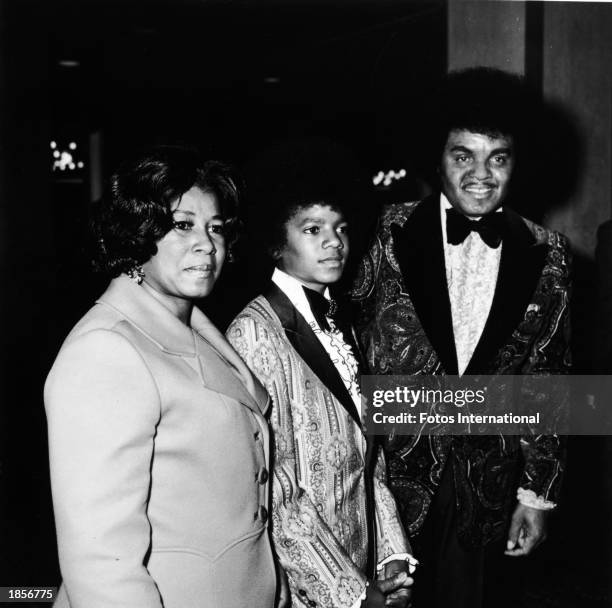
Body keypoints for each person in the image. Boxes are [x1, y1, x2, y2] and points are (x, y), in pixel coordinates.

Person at [352, 68, 571, 608]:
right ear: (437, 157)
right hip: (384, 484)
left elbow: (550, 379)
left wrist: (539, 496)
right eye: (462, 155)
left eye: (498, 157)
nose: (481, 173)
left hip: (488, 489)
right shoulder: (380, 233)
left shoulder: (552, 254)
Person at [45, 146, 278, 608]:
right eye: (182, 224)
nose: (207, 244)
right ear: (138, 231)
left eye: (216, 228)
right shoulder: (106, 350)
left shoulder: (195, 328)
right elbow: (100, 563)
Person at [227, 139, 415, 608]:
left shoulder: (341, 319)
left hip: (362, 555)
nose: (334, 241)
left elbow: (370, 455)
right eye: (313, 229)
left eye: (340, 228)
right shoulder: (255, 331)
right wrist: (350, 594)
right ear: (277, 239)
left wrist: (392, 553)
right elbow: (276, 486)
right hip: (302, 584)